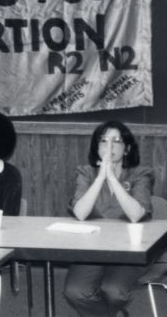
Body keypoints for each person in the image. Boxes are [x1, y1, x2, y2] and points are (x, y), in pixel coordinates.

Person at [63, 120, 154, 317]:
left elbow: (135, 214)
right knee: (75, 291)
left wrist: (112, 178)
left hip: (131, 250)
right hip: (93, 248)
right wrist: (100, 178)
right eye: (103, 141)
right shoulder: (86, 173)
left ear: (127, 148)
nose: (109, 147)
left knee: (114, 291)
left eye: (117, 141)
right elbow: (80, 213)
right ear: (97, 147)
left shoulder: (141, 173)